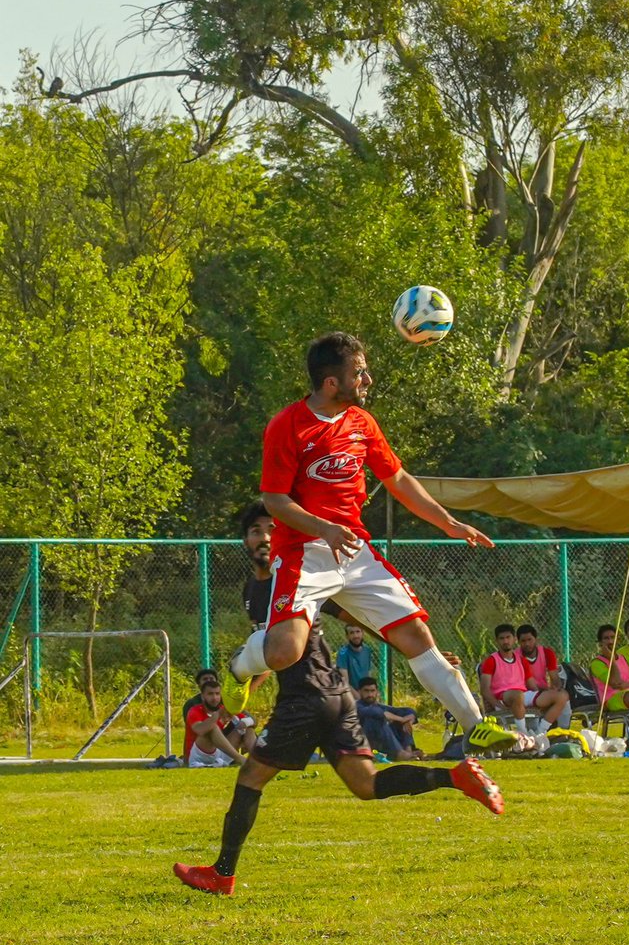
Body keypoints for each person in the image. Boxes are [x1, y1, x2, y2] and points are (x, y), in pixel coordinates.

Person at [221, 332, 513, 755]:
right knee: (285, 651)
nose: (368, 380)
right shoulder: (287, 426)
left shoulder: (362, 424)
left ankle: (475, 725)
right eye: (359, 373)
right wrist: (324, 528)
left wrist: (447, 522)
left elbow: (398, 479)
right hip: (305, 552)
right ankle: (240, 666)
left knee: (415, 633)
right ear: (331, 383)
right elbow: (274, 500)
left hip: (355, 552)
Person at [174, 616, 504, 895]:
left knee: (250, 777)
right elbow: (274, 651)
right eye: (255, 534)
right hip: (337, 696)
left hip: (304, 699)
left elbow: (354, 618)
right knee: (366, 784)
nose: (262, 538)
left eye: (265, 534)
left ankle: (223, 874)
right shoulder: (278, 581)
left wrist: (416, 650)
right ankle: (456, 776)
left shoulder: (297, 572)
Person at [479, 624, 569, 736]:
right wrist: (496, 704)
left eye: (508, 637)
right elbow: (484, 689)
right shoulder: (491, 660)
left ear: (514, 639)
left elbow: (532, 686)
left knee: (562, 696)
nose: (505, 641)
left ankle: (540, 733)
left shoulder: (522, 661)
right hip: (504, 697)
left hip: (523, 695)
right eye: (502, 638)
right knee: (517, 695)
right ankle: (523, 734)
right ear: (497, 641)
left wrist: (542, 697)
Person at [185, 680, 256, 768]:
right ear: (203, 696)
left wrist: (245, 722)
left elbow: (254, 721)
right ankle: (241, 759)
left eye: (217, 694)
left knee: (248, 729)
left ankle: (257, 760)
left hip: (221, 753)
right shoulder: (195, 711)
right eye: (210, 694)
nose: (215, 698)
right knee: (212, 728)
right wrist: (217, 715)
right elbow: (200, 730)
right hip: (201, 755)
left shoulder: (224, 709)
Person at [516, 623, 571, 729]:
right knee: (559, 698)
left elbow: (554, 678)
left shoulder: (547, 653)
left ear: (536, 639)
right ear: (518, 642)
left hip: (542, 692)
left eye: (529, 640)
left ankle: (564, 731)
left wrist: (556, 688)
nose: (527, 644)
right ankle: (542, 731)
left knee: (564, 695)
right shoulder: (516, 656)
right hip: (525, 693)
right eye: (523, 641)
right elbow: (527, 683)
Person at [590, 625, 629, 715]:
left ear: (617, 639)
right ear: (600, 643)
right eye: (606, 638)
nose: (610, 641)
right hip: (611, 699)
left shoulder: (623, 658)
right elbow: (615, 683)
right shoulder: (597, 663)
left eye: (612, 637)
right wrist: (612, 659)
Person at [356, 677, 422, 760]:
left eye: (372, 691)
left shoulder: (380, 706)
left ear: (377, 692)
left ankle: (408, 751)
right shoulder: (357, 706)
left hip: (384, 744)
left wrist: (408, 720)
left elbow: (409, 711)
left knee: (404, 720)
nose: (370, 694)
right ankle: (401, 754)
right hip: (368, 744)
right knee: (376, 719)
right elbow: (377, 713)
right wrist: (401, 719)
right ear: (359, 692)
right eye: (366, 691)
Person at [241, 499, 274, 630]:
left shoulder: (299, 582)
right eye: (256, 532)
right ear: (246, 541)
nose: (265, 538)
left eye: (272, 531)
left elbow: (343, 612)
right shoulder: (249, 588)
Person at [182, 668, 220, 762]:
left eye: (211, 679)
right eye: (205, 679)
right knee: (212, 728)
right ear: (199, 685)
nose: (208, 682)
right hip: (199, 746)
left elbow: (249, 718)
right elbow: (199, 730)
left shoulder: (224, 703)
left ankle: (255, 761)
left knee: (245, 729)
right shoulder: (192, 706)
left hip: (219, 745)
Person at [336, 623, 375, 694]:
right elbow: (345, 683)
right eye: (352, 633)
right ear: (347, 636)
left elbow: (368, 677)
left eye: (358, 632)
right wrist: (359, 698)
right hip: (350, 695)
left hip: (365, 693)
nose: (356, 636)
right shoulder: (343, 654)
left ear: (363, 633)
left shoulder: (367, 650)